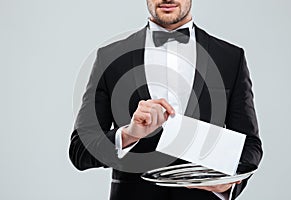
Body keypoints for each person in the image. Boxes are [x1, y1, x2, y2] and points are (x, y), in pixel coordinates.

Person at [69, 0, 263, 199]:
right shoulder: (109, 58)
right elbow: (79, 151)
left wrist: (228, 183)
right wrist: (129, 135)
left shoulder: (230, 57)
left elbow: (250, 146)